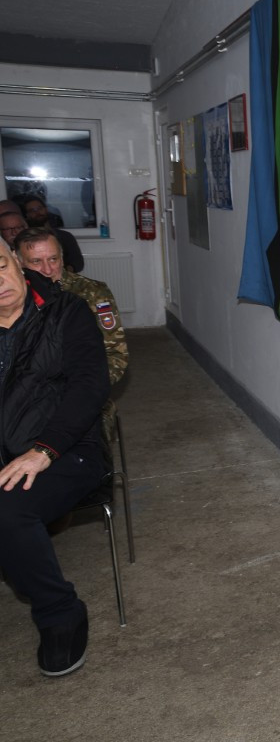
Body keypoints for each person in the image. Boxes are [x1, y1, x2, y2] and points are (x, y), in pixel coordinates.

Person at [0, 243, 111, 677]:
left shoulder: (67, 311)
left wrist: (44, 449)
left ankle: (59, 612)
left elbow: (90, 386)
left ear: (15, 261)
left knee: (8, 510)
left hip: (67, 449)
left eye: (1, 266)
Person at [15, 227, 128, 442]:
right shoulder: (12, 298)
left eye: (53, 259)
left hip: (80, 394)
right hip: (26, 398)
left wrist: (78, 391)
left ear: (63, 257)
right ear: (19, 262)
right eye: (36, 261)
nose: (48, 269)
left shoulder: (92, 293)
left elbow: (115, 355)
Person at [19, 196, 85, 273]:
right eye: (32, 210)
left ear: (46, 209)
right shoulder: (24, 240)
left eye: (39, 208)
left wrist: (64, 272)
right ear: (27, 215)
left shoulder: (65, 236)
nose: (37, 212)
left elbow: (78, 262)